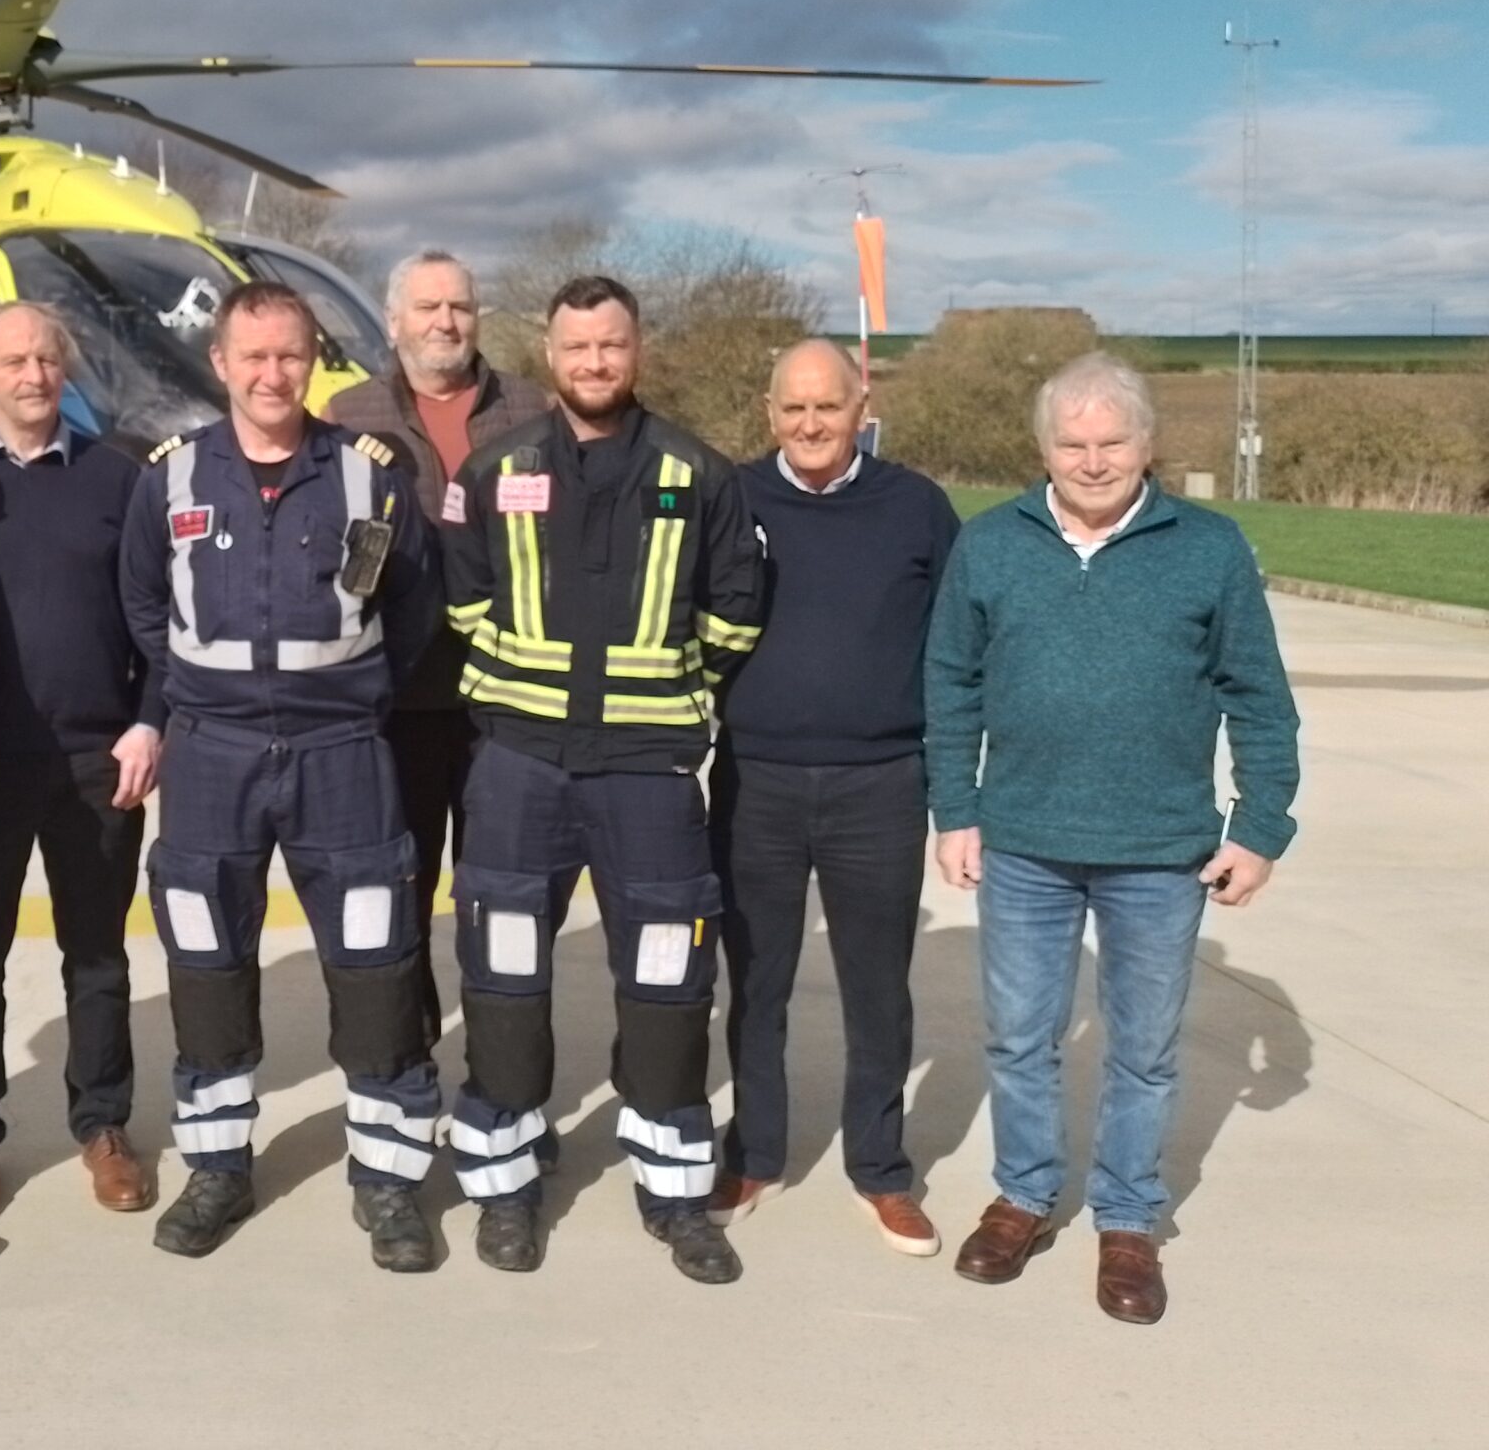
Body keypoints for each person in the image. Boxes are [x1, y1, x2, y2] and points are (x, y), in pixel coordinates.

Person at [926, 351, 1300, 1324]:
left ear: (1148, 443)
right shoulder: (991, 544)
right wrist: (953, 809)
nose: (1091, 461)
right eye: (1071, 442)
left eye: (1111, 441)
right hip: (1022, 843)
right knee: (1019, 1037)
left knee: (1143, 1048)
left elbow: (1258, 697)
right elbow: (950, 683)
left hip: (1159, 852)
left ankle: (1128, 1221)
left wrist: (1259, 826)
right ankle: (1022, 1197)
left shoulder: (1207, 549)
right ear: (1042, 447)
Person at [440, 275, 764, 1281]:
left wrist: (658, 694)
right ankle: (502, 1185)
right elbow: (462, 605)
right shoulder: (494, 470)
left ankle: (674, 1193)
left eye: (611, 346)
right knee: (499, 978)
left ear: (638, 351)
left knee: (669, 983)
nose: (594, 364)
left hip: (647, 776)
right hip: (518, 769)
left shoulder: (699, 474)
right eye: (577, 348)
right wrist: (521, 703)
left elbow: (734, 617)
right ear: (549, 352)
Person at [121, 280, 445, 1270]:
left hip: (341, 755)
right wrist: (190, 699)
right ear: (218, 364)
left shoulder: (368, 476)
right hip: (211, 758)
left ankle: (388, 1182)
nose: (272, 374)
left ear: (314, 364)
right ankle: (218, 1167)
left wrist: (350, 699)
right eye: (252, 357)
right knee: (208, 966)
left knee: (377, 963)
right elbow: (142, 606)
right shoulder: (169, 479)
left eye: (290, 356)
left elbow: (415, 606)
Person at [0, 301, 162, 1223]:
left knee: (96, 957)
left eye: (47, 359)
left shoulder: (117, 480)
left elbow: (158, 622)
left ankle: (101, 1123)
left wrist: (150, 721)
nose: (32, 375)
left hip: (98, 761)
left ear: (66, 371)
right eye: (12, 359)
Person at [706, 339, 958, 1257]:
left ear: (863, 405)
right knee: (757, 982)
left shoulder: (917, 508)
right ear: (768, 411)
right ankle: (755, 1152)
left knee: (876, 990)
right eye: (793, 408)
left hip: (881, 785)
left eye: (829, 407)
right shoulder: (729, 497)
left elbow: (957, 645)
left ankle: (881, 1169)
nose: (811, 425)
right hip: (755, 779)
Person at [326, 249, 544, 1035]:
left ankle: (503, 1075)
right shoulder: (346, 418)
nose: (446, 322)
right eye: (427, 308)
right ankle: (408, 1066)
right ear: (393, 322)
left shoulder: (533, 410)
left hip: (507, 703)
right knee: (400, 893)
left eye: (459, 306)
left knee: (504, 898)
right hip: (395, 705)